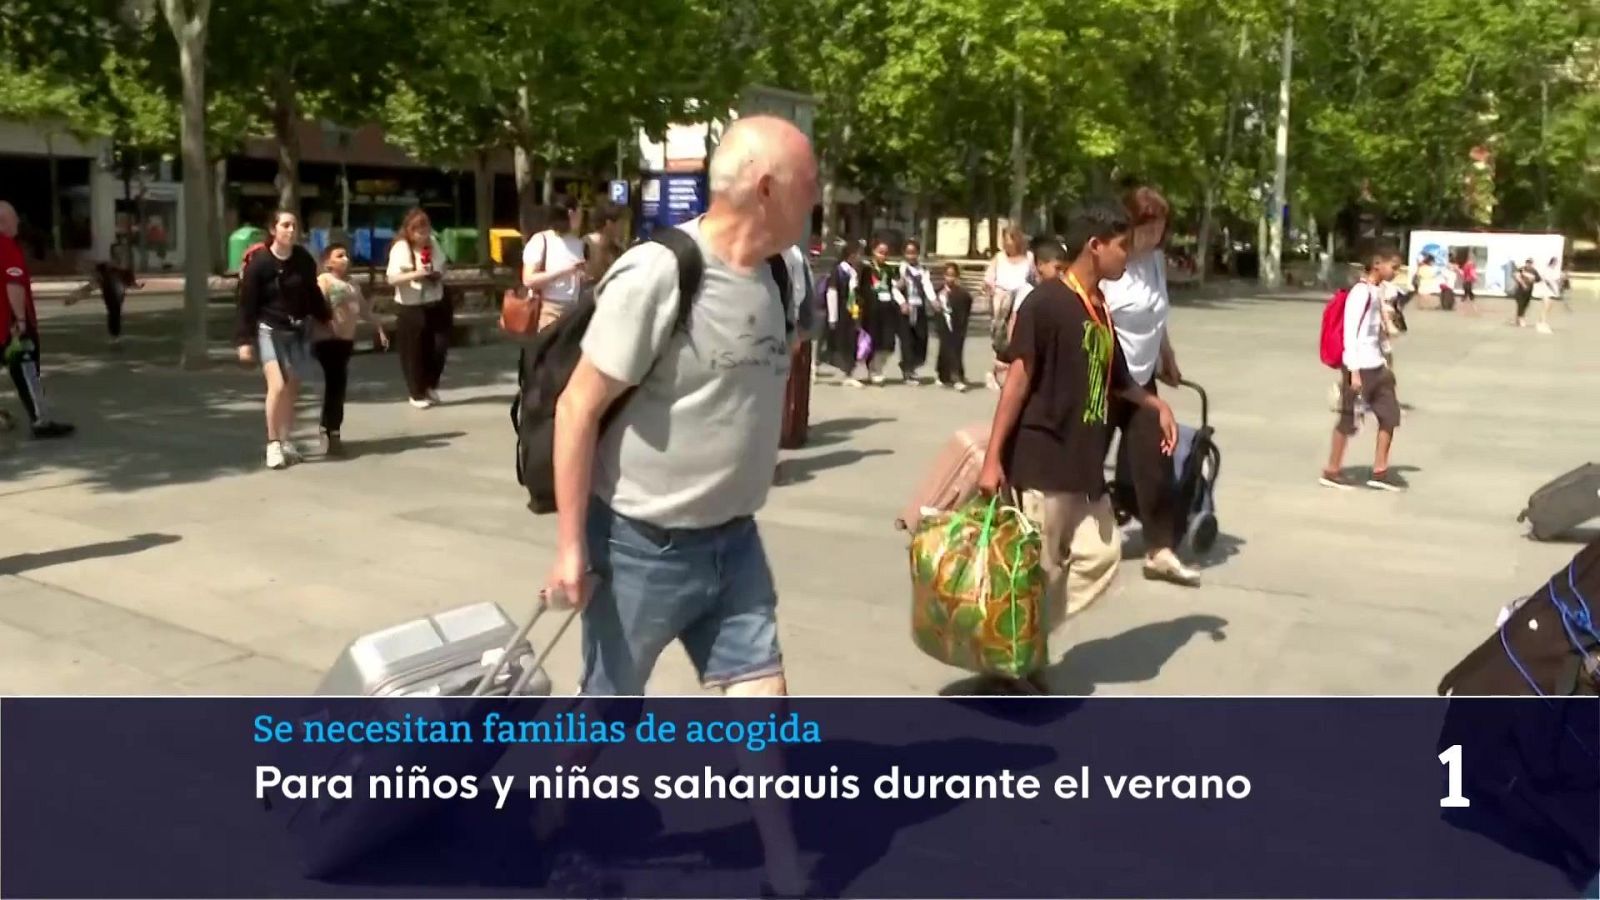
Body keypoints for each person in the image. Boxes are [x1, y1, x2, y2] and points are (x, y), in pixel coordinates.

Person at [545, 114, 817, 700]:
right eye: (809, 183)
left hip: (735, 543)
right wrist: (572, 547)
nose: (816, 197)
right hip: (640, 545)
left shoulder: (781, 273)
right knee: (604, 711)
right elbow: (576, 409)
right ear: (767, 187)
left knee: (765, 701)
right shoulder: (660, 272)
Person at [977, 200, 1177, 686]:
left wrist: (1158, 406)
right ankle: (1013, 660)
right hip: (1042, 459)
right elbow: (1018, 382)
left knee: (1101, 557)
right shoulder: (1046, 303)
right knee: (1040, 570)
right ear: (1095, 245)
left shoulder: (1099, 307)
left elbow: (1119, 379)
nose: (1127, 258)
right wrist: (991, 461)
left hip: (1084, 464)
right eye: (1121, 247)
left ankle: (1024, 641)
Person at [1101, 186, 1199, 587]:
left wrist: (1168, 355)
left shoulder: (1156, 262)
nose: (1154, 235)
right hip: (1105, 380)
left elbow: (1157, 314)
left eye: (1160, 227)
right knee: (1083, 462)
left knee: (1155, 461)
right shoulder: (1111, 262)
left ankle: (1160, 549)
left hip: (1144, 378)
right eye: (1147, 226)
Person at [235, 210, 330, 469]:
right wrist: (244, 340)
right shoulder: (261, 264)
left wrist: (326, 318)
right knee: (277, 385)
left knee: (292, 387)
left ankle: (287, 440)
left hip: (298, 330)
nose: (290, 230)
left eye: (294, 225)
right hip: (269, 329)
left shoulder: (302, 260)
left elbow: (312, 293)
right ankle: (273, 443)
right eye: (285, 225)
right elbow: (247, 305)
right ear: (273, 229)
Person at [1320, 242, 1404, 492]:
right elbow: (1351, 333)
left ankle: (1380, 471)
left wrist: (1386, 358)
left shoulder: (1378, 291)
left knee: (1390, 416)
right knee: (1348, 420)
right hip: (1359, 367)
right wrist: (1353, 371)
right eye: (1393, 266)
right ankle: (1332, 471)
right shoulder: (1359, 293)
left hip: (1377, 365)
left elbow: (1377, 330)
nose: (1395, 271)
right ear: (1377, 263)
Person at [0, 201, 74, 438]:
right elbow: (13, 284)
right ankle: (41, 421)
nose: (19, 222)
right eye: (14, 218)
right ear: (4, 222)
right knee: (27, 371)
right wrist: (21, 320)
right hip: (10, 325)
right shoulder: (7, 247)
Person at [314, 243, 389, 457]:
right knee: (335, 382)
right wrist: (326, 322)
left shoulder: (352, 284)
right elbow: (317, 306)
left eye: (346, 255)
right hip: (327, 340)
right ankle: (330, 430)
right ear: (328, 262)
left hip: (346, 340)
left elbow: (363, 309)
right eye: (339, 255)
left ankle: (330, 427)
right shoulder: (324, 281)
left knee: (338, 384)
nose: (345, 259)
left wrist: (379, 327)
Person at [386, 208, 451, 409]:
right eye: (418, 230)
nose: (423, 234)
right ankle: (416, 392)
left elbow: (443, 265)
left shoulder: (433, 243)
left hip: (435, 300)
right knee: (414, 351)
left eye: (425, 229)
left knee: (439, 346)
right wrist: (415, 274)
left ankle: (430, 385)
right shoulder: (401, 248)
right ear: (409, 231)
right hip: (411, 305)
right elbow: (392, 278)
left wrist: (436, 273)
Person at [522, 194, 588, 331]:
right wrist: (564, 271)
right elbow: (528, 279)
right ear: (571, 214)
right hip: (548, 309)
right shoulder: (541, 240)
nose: (582, 217)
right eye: (581, 212)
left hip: (574, 311)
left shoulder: (579, 244)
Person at [983, 226, 1034, 389]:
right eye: (1005, 239)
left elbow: (1034, 277)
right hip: (1002, 300)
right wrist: (989, 288)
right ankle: (993, 372)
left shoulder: (1029, 257)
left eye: (1010, 238)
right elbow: (989, 278)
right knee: (1000, 339)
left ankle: (1013, 374)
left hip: (1022, 301)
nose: (1007, 243)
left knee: (1018, 339)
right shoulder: (999, 258)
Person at [860, 237, 904, 385]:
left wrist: (901, 301)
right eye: (880, 252)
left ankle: (878, 367)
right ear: (873, 252)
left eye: (885, 253)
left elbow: (893, 289)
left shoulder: (889, 270)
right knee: (873, 341)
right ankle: (873, 370)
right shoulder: (866, 270)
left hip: (887, 310)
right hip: (871, 311)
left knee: (888, 343)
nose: (883, 256)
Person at [823, 243, 867, 387]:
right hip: (841, 312)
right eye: (858, 254)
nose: (860, 257)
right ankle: (820, 364)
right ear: (851, 255)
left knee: (850, 342)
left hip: (851, 312)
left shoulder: (854, 272)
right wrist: (833, 317)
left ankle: (849, 372)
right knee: (840, 342)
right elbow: (832, 292)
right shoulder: (839, 271)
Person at [895, 239, 934, 384]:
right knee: (907, 341)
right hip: (905, 309)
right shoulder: (900, 269)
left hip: (919, 308)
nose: (911, 256)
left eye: (914, 253)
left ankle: (912, 365)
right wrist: (902, 302)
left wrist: (933, 300)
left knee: (922, 339)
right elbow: (895, 288)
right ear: (904, 253)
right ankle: (908, 371)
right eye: (908, 253)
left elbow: (927, 286)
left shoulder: (923, 270)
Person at [931, 261, 972, 391]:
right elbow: (933, 307)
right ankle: (943, 375)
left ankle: (958, 377)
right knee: (944, 350)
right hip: (943, 324)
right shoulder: (938, 291)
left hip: (957, 326)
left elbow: (967, 308)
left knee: (956, 351)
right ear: (944, 276)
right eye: (947, 275)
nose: (950, 278)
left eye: (953, 275)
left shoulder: (962, 294)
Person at [582, 201, 625, 287]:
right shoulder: (586, 243)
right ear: (609, 224)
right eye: (620, 223)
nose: (623, 227)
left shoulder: (617, 248)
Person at [1535, 256, 1564, 335]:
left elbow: (1556, 281)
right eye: (1555, 262)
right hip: (1547, 291)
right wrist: (1552, 289)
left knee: (1549, 307)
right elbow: (1547, 281)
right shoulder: (1547, 270)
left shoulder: (1553, 270)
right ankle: (1543, 322)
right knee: (1546, 307)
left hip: (1552, 292)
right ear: (1552, 262)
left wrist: (1561, 280)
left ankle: (1541, 321)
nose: (1556, 264)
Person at [1511, 258, 1540, 328]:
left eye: (1530, 263)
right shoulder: (1521, 269)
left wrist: (1533, 279)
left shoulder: (1534, 271)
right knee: (1520, 304)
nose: (1529, 264)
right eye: (1528, 263)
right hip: (1520, 290)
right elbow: (1516, 276)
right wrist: (1523, 283)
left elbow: (1538, 279)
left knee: (1525, 305)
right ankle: (1521, 319)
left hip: (1529, 291)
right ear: (1526, 263)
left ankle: (1518, 319)